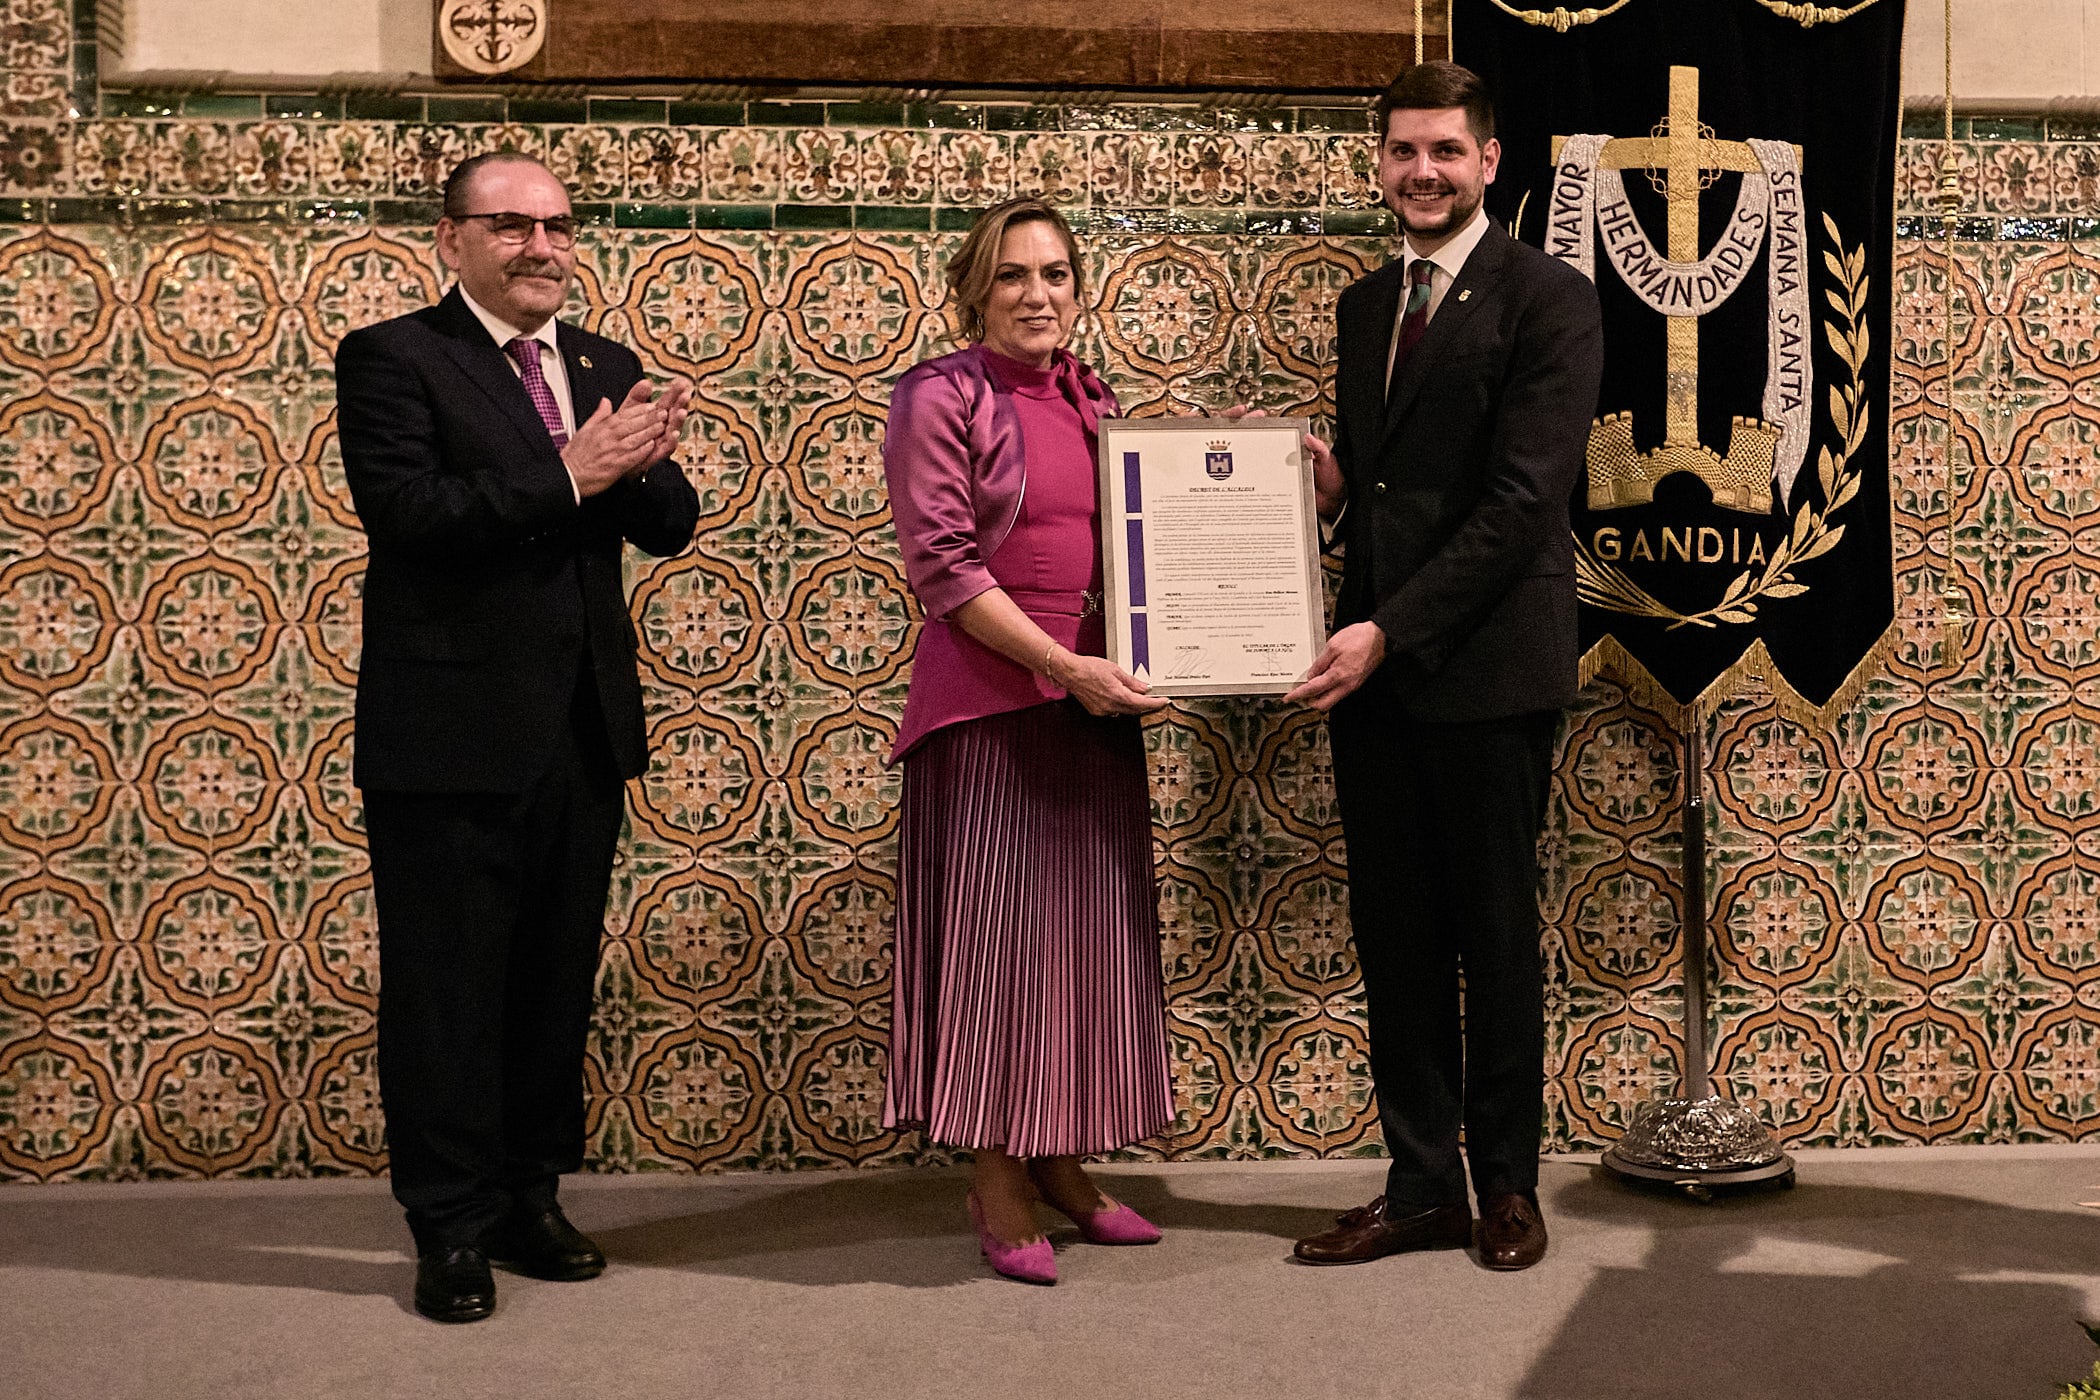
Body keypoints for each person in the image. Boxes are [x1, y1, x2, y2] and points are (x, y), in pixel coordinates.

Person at [334, 151, 699, 1322]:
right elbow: (409, 513)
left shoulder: (601, 364)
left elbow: (671, 524)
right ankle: (448, 1223)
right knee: (447, 990)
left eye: (557, 226)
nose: (542, 247)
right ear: (452, 239)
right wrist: (568, 469)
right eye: (511, 226)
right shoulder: (398, 358)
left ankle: (527, 1196)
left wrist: (639, 462)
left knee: (550, 980)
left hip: (581, 730)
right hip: (446, 733)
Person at [1284, 61, 1603, 1271]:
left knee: (1492, 935)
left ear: (1489, 162)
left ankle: (1507, 1186)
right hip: (1370, 674)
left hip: (1483, 669)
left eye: (1445, 152)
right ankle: (1419, 1183)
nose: (1423, 171)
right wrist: (1321, 501)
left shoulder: (1550, 300)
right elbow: (1384, 487)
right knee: (1396, 936)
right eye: (1402, 151)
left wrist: (1387, 626)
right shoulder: (1366, 305)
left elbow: (1522, 504)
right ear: (1380, 162)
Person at [880, 196, 1175, 1286]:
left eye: (1055, 273)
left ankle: (1061, 1158)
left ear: (1078, 288)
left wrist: (1278, 476)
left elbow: (1157, 538)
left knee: (1078, 949)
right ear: (975, 290)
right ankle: (995, 1169)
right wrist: (1061, 665)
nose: (1036, 293)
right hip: (991, 711)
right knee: (997, 953)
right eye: (1012, 275)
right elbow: (946, 567)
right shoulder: (940, 394)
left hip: (1094, 713)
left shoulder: (1096, 398)